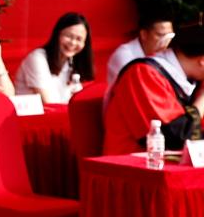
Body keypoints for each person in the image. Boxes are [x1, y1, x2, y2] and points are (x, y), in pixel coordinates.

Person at [103, 23, 204, 155]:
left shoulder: (193, 78)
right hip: (132, 162)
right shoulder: (143, 74)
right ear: (202, 61)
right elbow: (174, 139)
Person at [14, 12, 94, 104]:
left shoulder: (70, 63)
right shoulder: (37, 58)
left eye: (79, 39)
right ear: (57, 34)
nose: (73, 43)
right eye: (69, 36)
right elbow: (50, 102)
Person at [105, 9, 174, 86]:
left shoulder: (167, 53)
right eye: (160, 35)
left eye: (169, 35)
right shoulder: (124, 55)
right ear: (144, 34)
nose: (166, 40)